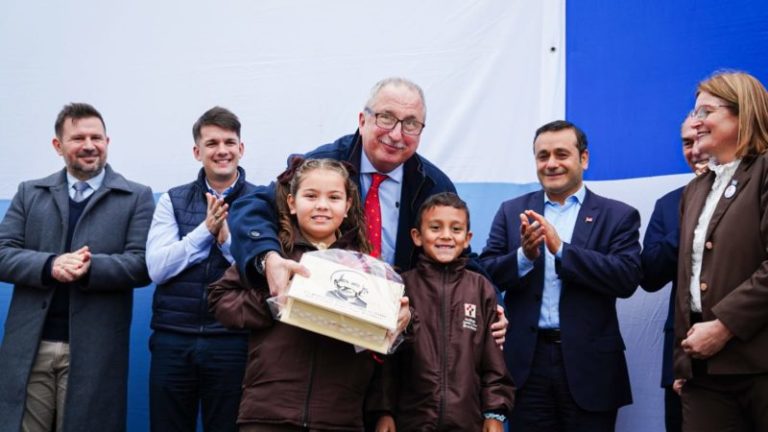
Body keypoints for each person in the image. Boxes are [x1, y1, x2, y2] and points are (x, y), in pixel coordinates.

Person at [228, 77, 507, 343]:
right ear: (363, 120)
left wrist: (494, 303)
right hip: (324, 328)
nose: (397, 135)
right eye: (386, 117)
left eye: (410, 124)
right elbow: (251, 207)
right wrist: (268, 258)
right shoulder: (323, 164)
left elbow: (459, 256)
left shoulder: (433, 184)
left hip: (396, 330)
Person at [209, 158, 411, 431]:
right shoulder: (273, 255)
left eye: (334, 197)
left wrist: (401, 320)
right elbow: (220, 298)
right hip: (269, 412)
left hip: (339, 416)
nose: (322, 206)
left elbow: (392, 340)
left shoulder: (366, 266)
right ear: (292, 203)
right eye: (311, 196)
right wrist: (277, 301)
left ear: (348, 205)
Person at [0, 103, 154, 431]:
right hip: (31, 347)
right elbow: (2, 253)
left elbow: (142, 265)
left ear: (107, 142)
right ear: (58, 146)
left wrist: (90, 267)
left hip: (94, 351)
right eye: (78, 137)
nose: (88, 145)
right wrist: (50, 265)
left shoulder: (136, 197)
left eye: (96, 137)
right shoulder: (30, 193)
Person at [480, 120, 642, 431]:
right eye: (543, 156)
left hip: (590, 368)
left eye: (561, 154)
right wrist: (524, 257)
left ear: (584, 159)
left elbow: (627, 277)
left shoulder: (618, 215)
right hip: (527, 364)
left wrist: (562, 250)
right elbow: (486, 276)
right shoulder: (511, 210)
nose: (551, 163)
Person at [145, 107, 256, 431]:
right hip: (172, 339)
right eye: (211, 143)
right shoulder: (172, 200)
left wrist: (225, 242)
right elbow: (157, 268)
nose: (221, 150)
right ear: (197, 152)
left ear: (241, 148)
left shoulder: (261, 201)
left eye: (229, 142)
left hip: (233, 341)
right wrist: (204, 232)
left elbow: (261, 275)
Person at [673, 71, 768, 432]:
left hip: (760, 363)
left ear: (743, 113)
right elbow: (686, 280)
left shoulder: (764, 170)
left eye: (705, 112)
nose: (696, 123)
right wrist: (682, 362)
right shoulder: (695, 191)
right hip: (703, 372)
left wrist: (725, 325)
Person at [375, 192, 515, 432]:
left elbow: (493, 361)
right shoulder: (401, 287)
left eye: (456, 229)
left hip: (467, 421)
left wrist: (495, 413)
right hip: (411, 421)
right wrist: (384, 411)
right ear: (417, 237)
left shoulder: (480, 288)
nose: (446, 236)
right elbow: (388, 359)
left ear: (468, 238)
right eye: (436, 228)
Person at [640, 116, 708, 432]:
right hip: (683, 359)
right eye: (686, 143)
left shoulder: (756, 189)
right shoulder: (669, 205)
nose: (696, 150)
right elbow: (650, 275)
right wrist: (690, 217)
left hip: (748, 355)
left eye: (701, 138)